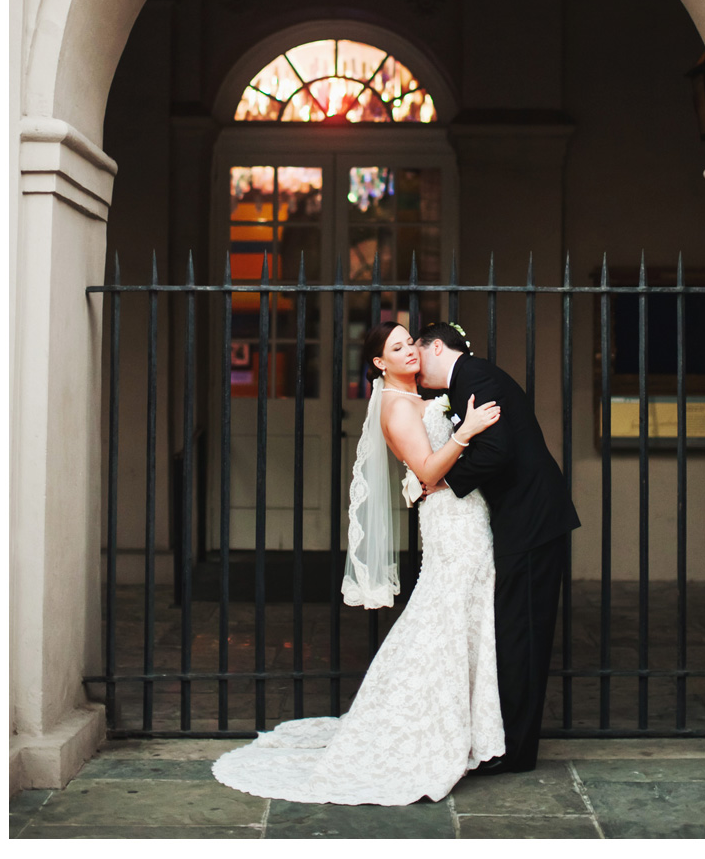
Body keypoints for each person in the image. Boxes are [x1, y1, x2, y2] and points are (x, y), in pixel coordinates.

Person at [212, 321, 503, 806]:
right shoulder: (396, 407)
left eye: (410, 342)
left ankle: (466, 728)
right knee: (442, 619)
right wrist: (467, 431)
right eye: (396, 347)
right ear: (378, 363)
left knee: (458, 618)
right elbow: (428, 470)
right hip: (451, 522)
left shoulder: (422, 398)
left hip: (466, 515)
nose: (409, 350)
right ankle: (418, 729)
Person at [416, 321, 581, 775]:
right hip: (526, 522)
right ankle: (508, 743)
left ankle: (516, 752)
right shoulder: (470, 377)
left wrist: (443, 482)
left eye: (416, 351)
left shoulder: (475, 378)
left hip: (531, 523)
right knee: (515, 633)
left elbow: (496, 452)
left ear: (434, 347)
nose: (414, 366)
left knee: (521, 636)